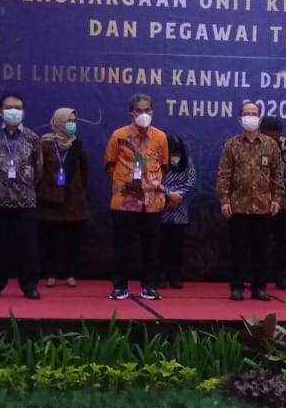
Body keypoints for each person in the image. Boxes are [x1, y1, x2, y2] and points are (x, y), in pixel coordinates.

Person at [104, 93, 169, 301]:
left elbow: (164, 165)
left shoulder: (160, 137)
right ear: (131, 112)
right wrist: (125, 183)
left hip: (152, 202)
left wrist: (150, 184)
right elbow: (109, 164)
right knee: (122, 246)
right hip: (125, 201)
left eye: (147, 110)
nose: (143, 114)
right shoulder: (118, 135)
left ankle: (150, 286)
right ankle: (120, 286)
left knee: (151, 246)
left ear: (152, 112)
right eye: (139, 110)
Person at [217, 102, 285, 301]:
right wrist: (224, 200)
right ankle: (237, 287)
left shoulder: (270, 145)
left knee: (261, 251)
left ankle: (259, 288)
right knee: (238, 249)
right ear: (240, 119)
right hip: (238, 206)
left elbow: (277, 175)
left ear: (260, 118)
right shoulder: (231, 145)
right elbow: (224, 174)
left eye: (254, 113)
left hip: (263, 206)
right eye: (247, 114)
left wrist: (277, 198)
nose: (251, 117)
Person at [0, 92, 42, 299]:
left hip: (25, 199)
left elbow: (38, 168)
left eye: (18, 107)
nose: (13, 111)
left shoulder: (32, 137)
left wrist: (25, 184)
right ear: (0, 112)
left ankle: (29, 285)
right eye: (9, 107)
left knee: (28, 246)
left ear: (24, 111)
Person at [38, 107, 90, 287]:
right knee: (50, 239)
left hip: (74, 199)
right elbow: (38, 169)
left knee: (73, 239)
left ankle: (71, 273)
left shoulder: (78, 145)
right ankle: (50, 273)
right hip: (50, 199)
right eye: (68, 121)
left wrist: (78, 189)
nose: (72, 124)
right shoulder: (44, 144)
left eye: (74, 121)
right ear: (59, 122)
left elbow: (85, 170)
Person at [260, 115, 286, 291]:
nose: (272, 139)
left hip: (282, 203)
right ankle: (258, 279)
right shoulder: (255, 145)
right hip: (259, 204)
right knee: (259, 242)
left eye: (275, 135)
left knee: (282, 242)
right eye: (268, 135)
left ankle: (282, 277)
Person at [159, 134, 196, 289]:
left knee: (177, 246)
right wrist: (169, 195)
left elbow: (191, 181)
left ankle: (174, 276)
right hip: (161, 209)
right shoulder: (158, 163)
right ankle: (160, 276)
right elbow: (154, 182)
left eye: (177, 151)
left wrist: (177, 197)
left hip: (180, 211)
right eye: (171, 151)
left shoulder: (187, 163)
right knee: (160, 246)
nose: (174, 155)